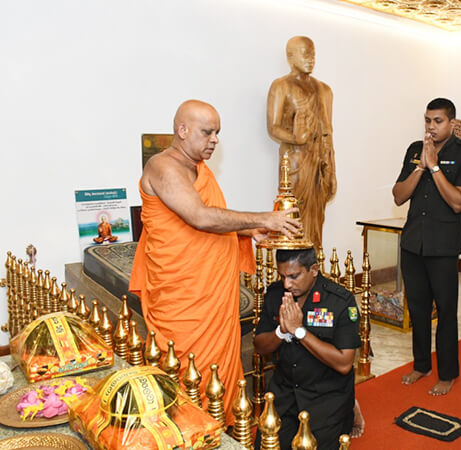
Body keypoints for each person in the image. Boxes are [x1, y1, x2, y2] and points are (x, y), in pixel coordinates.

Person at [129, 99, 301, 426]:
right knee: (186, 372)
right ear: (182, 130)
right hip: (183, 299)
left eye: (217, 132)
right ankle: (187, 431)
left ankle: (219, 428)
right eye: (207, 131)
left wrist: (252, 228)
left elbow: (207, 217)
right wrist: (266, 217)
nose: (215, 139)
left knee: (218, 372)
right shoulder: (163, 167)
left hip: (211, 296)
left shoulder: (198, 169)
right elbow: (200, 217)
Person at [392, 98, 461, 396]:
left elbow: (458, 201)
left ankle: (448, 372)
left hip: (442, 247)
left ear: (451, 123)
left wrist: (435, 168)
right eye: (428, 120)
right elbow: (399, 196)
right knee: (417, 310)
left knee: (445, 311)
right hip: (413, 243)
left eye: (438, 121)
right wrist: (420, 167)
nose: (431, 126)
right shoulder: (414, 150)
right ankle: (421, 364)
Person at [254, 248, 359, 449]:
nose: (287, 284)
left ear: (314, 269)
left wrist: (299, 331)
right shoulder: (277, 294)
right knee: (266, 445)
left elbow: (345, 363)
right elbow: (260, 346)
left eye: (294, 276)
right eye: (282, 276)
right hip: (285, 392)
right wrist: (282, 332)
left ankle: (350, 410)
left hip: (326, 396)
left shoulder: (340, 301)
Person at [267, 36, 336, 249]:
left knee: (317, 217)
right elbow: (273, 127)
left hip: (320, 159)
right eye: (306, 53)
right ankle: (293, 271)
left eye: (313, 53)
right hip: (295, 163)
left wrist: (331, 169)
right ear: (290, 57)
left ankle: (314, 265)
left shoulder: (325, 90)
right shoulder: (281, 86)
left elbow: (328, 131)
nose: (311, 59)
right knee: (294, 214)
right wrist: (296, 138)